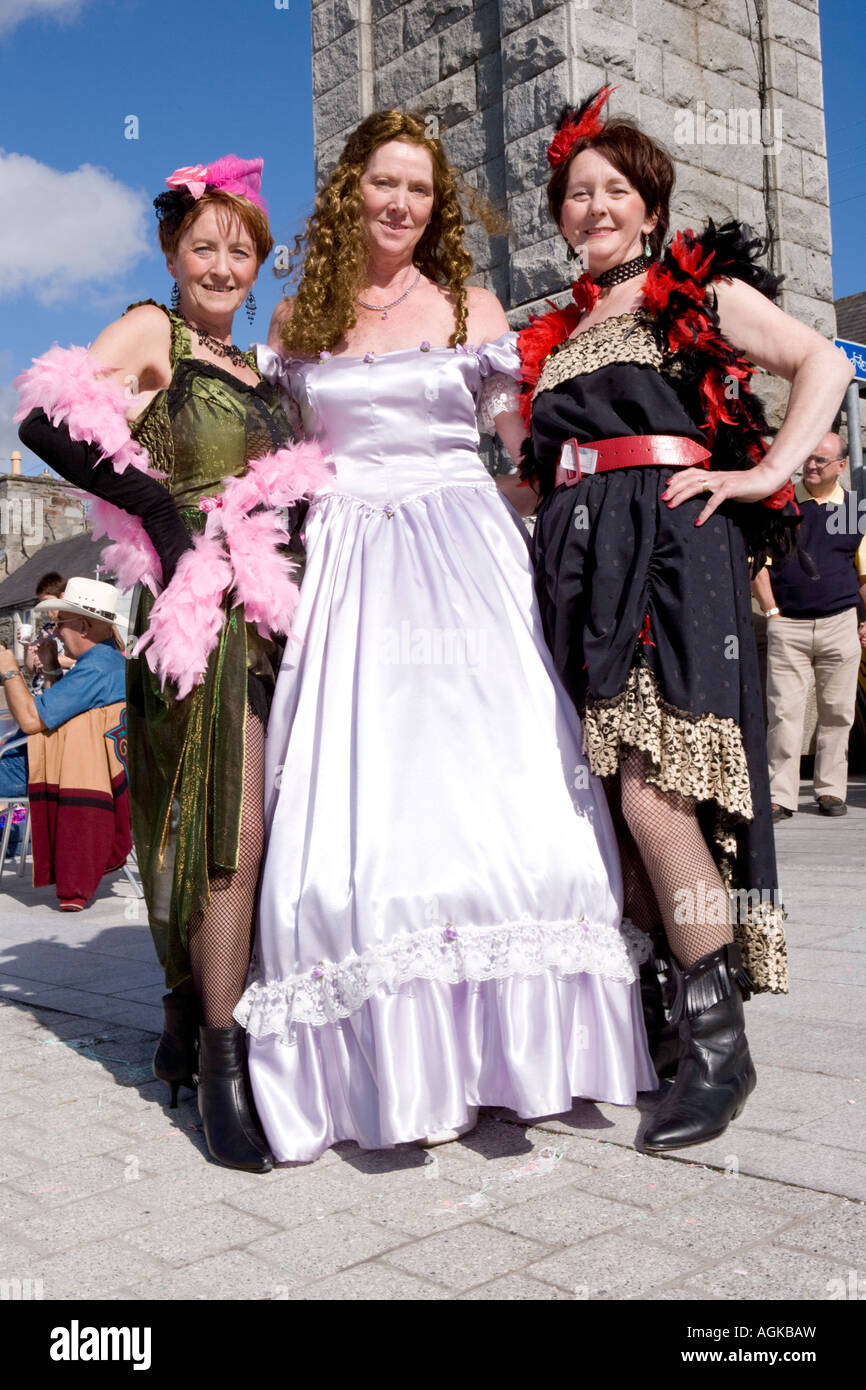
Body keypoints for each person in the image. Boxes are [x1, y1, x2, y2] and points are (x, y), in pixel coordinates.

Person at [235, 109, 656, 1166]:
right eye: (385, 182)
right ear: (349, 190)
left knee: (495, 784)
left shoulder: (468, 303)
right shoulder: (295, 317)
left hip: (462, 547)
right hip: (348, 566)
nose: (402, 203)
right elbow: (276, 460)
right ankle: (387, 1056)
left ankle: (520, 1055)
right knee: (366, 797)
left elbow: (525, 431)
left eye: (420, 189)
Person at [518, 88, 854, 1153]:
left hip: (669, 550)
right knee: (609, 803)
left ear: (651, 208)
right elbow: (535, 477)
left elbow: (825, 361)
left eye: (614, 189)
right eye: (577, 194)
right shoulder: (561, 332)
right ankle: (666, 1016)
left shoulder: (691, 295)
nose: (594, 206)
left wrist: (760, 471)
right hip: (575, 559)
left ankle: (718, 1047)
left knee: (655, 789)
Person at [16, 155, 327, 1172]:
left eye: (242, 249)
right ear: (172, 252)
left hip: (279, 608)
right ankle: (221, 1062)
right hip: (197, 610)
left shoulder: (264, 367)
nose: (224, 263)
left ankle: (189, 1007)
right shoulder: (154, 330)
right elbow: (43, 416)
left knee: (262, 818)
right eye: (206, 245)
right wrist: (156, 507)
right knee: (217, 815)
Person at [753, 433, 866, 820]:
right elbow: (758, 566)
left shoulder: (856, 509)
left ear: (840, 467)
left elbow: (864, 574)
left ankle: (831, 791)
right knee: (784, 713)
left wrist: (864, 621)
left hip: (841, 623)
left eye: (821, 460)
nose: (811, 465)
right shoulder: (779, 507)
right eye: (808, 458)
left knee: (838, 712)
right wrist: (771, 613)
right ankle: (779, 796)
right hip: (788, 626)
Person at [0, 577, 130, 909]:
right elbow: (70, 716)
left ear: (84, 626)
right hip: (79, 769)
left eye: (60, 625)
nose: (55, 633)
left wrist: (9, 670)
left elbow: (31, 721)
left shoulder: (96, 669)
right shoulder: (108, 660)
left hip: (52, 772)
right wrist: (51, 670)